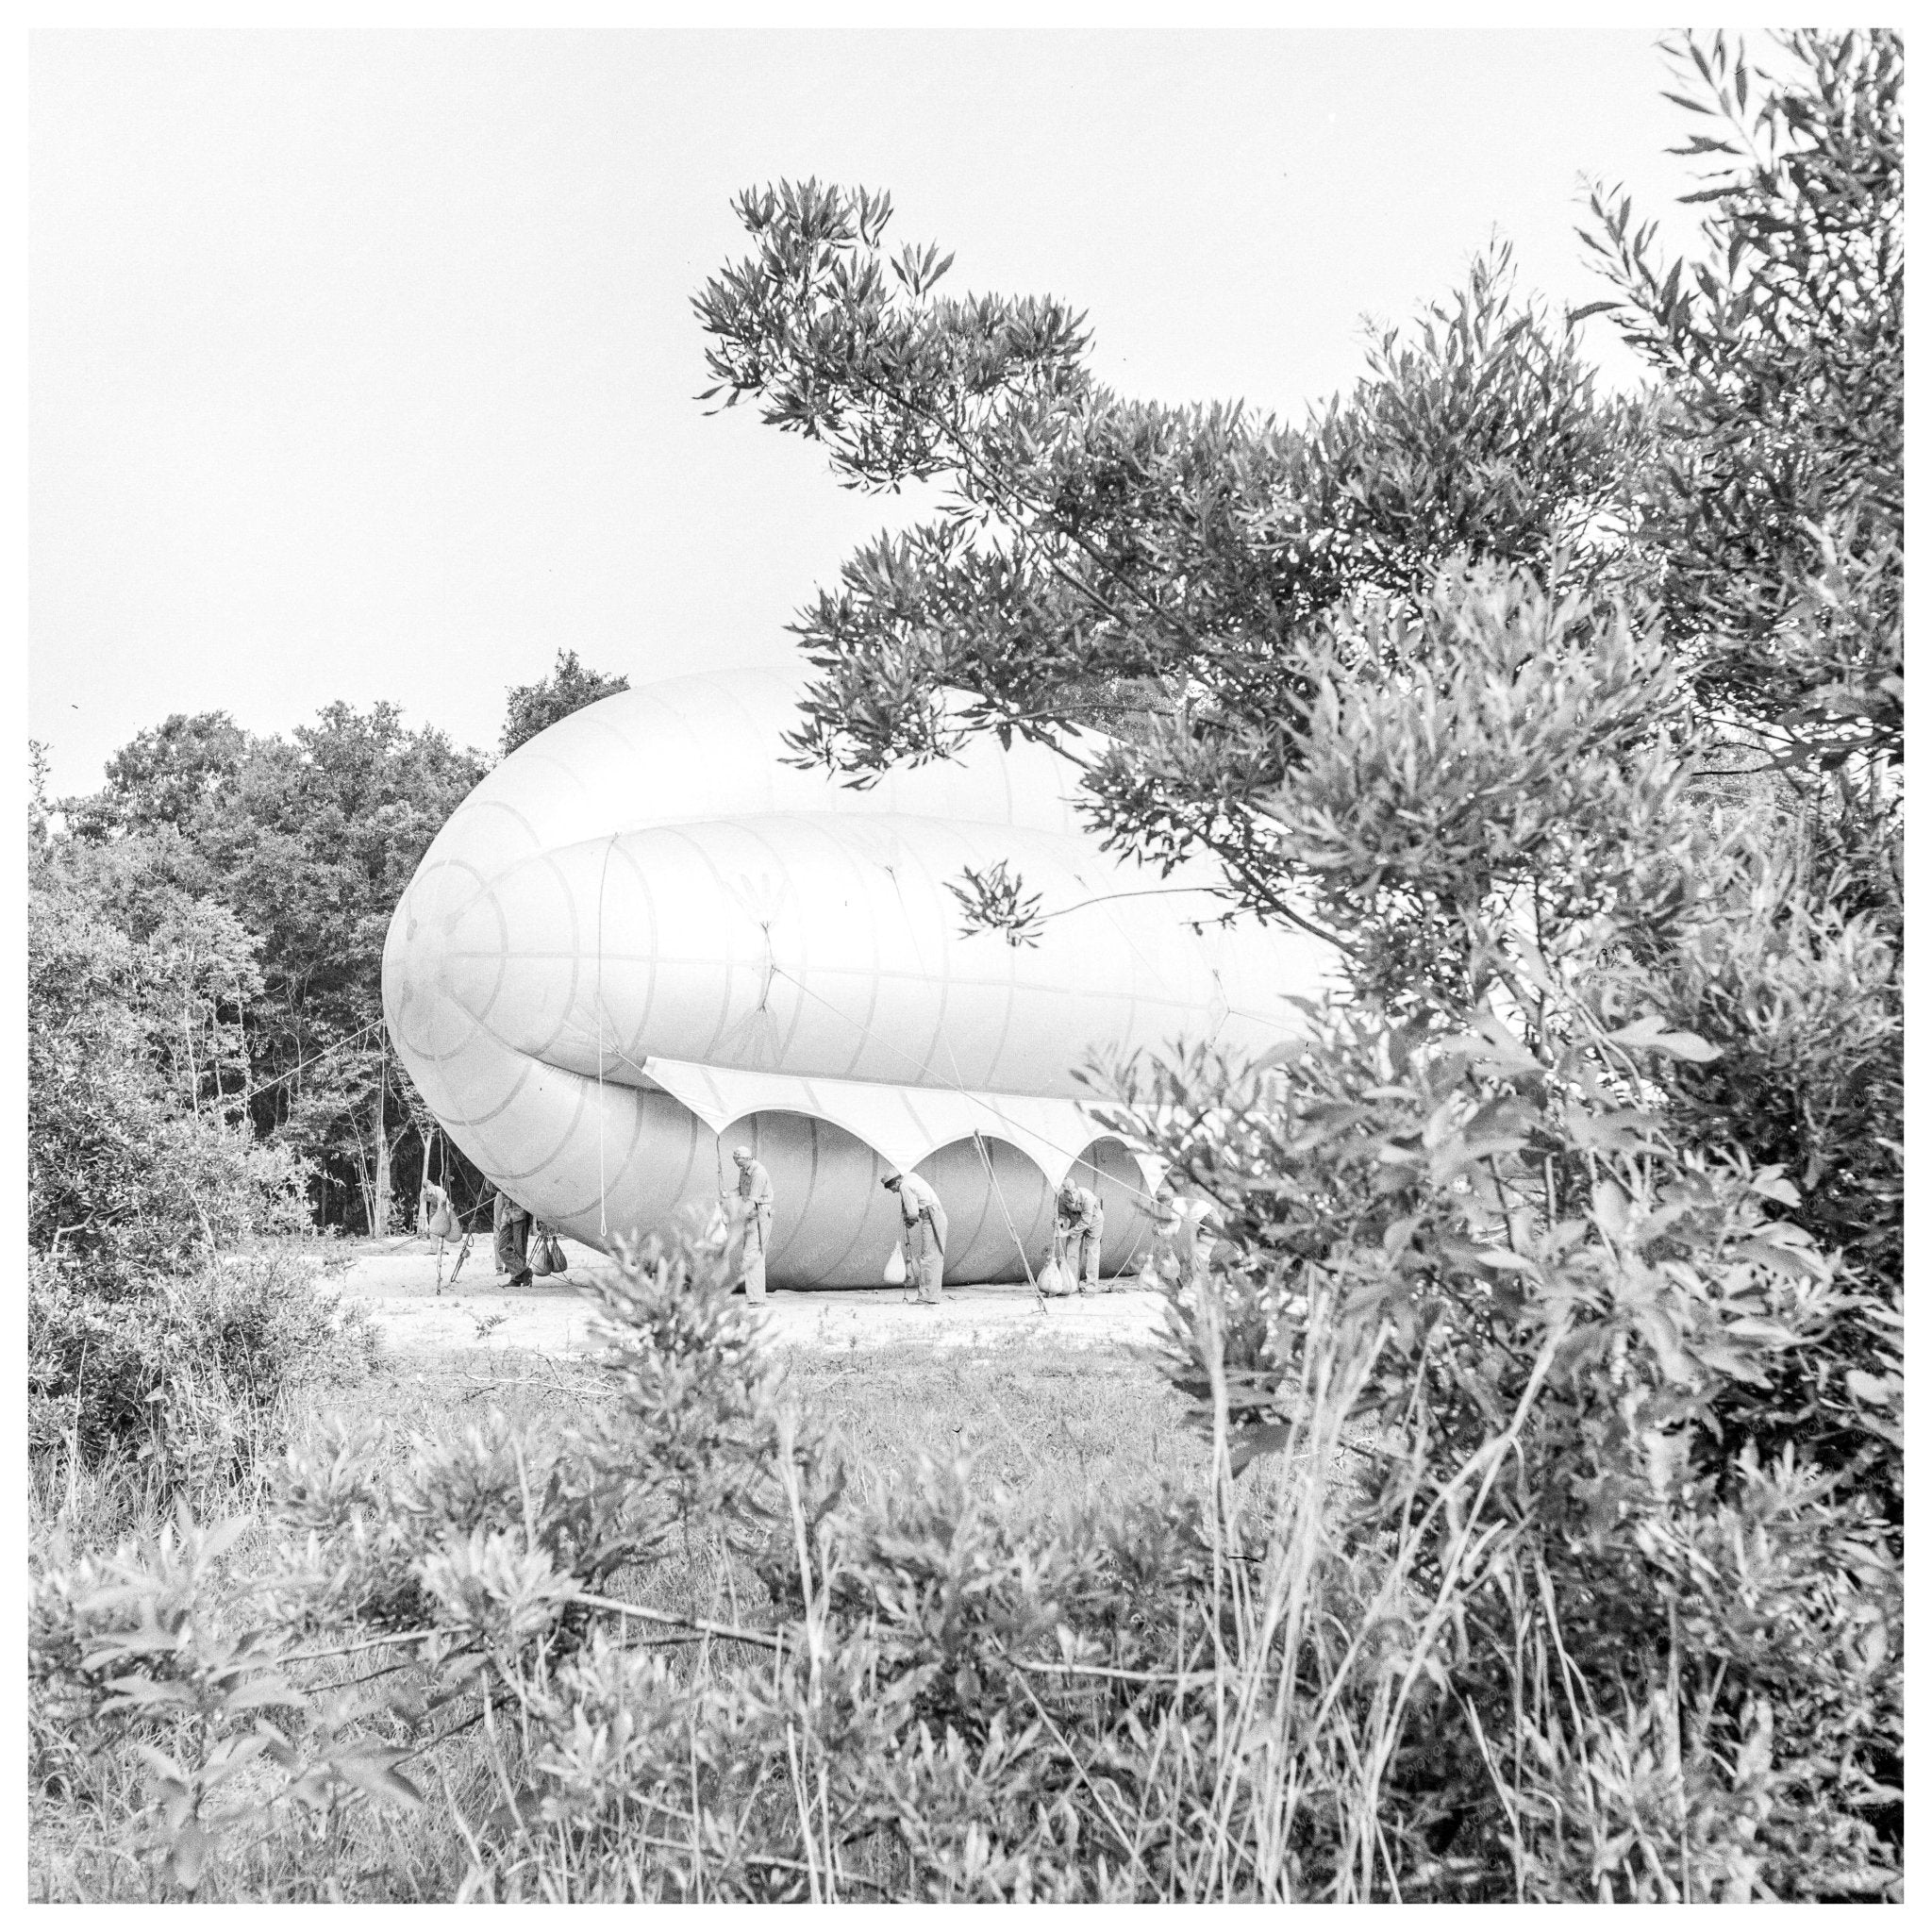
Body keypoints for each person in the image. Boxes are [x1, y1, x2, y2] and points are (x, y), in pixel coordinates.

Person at [882, 1171, 948, 1305]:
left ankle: (928, 1297)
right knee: (933, 1256)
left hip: (931, 1216)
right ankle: (930, 1296)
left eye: (892, 1189)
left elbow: (912, 1212)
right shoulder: (910, 1177)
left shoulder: (904, 1186)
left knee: (929, 1257)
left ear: (896, 1182)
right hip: (936, 1214)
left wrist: (909, 1221)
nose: (894, 1192)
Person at [726, 1145, 774, 1300]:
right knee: (751, 1254)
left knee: (752, 1255)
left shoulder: (758, 1173)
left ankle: (756, 1298)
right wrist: (727, 1194)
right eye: (736, 1161)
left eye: (739, 1162)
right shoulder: (744, 1169)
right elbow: (742, 1189)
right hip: (752, 1215)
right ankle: (754, 1297)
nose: (737, 1165)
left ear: (747, 1159)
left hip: (759, 1215)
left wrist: (734, 1217)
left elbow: (752, 1201)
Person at [1054, 1178, 1106, 1295]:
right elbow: (1063, 1214)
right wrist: (1060, 1221)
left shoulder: (1087, 1197)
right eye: (1068, 1193)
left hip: (1094, 1221)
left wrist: (1066, 1233)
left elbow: (1085, 1222)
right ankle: (1072, 1285)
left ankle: (1091, 1287)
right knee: (1071, 1251)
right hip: (1075, 1219)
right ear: (1064, 1192)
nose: (1071, 1196)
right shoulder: (1061, 1198)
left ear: (1077, 1189)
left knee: (1092, 1252)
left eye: (1073, 1192)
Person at [492, 1186, 533, 1288]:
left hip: (521, 1213)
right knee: (501, 1246)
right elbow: (494, 1188)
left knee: (520, 1249)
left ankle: (516, 1279)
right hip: (508, 1214)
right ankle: (524, 1272)